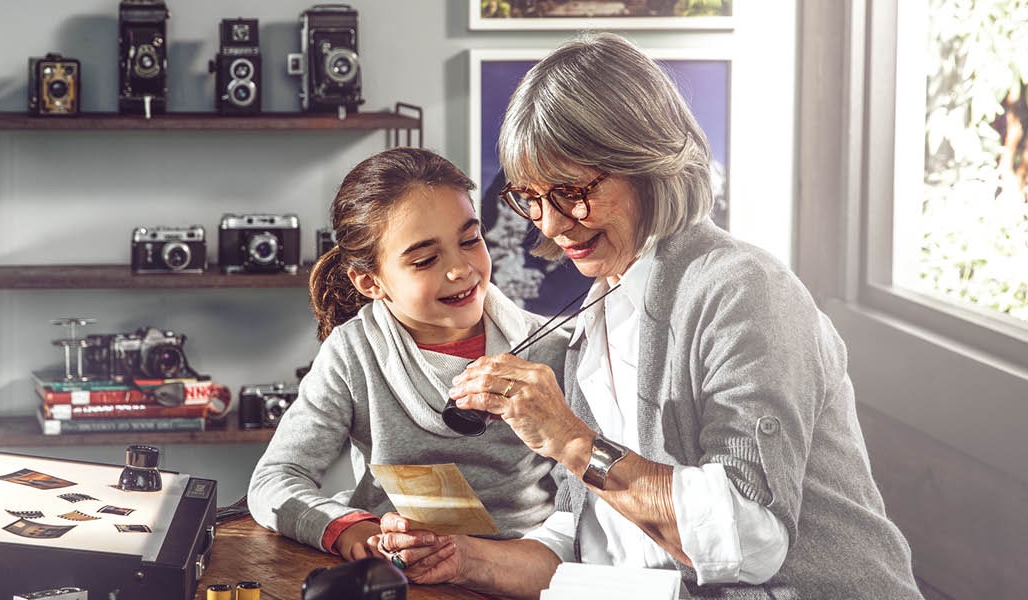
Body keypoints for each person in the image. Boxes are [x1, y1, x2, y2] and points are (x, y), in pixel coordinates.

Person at [375, 33, 923, 599]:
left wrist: (572, 441)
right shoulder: (599, 308)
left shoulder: (743, 291)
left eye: (570, 191)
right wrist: (463, 559)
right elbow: (593, 535)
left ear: (646, 163)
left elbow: (750, 543)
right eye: (531, 199)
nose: (551, 225)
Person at [246, 147, 569, 562]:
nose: (460, 269)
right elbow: (276, 479)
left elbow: (580, 503)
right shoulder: (351, 353)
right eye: (425, 260)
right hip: (400, 575)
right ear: (369, 282)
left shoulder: (553, 350)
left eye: (470, 240)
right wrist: (351, 531)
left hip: (516, 574)